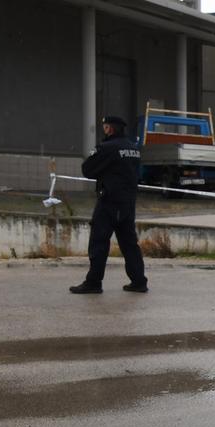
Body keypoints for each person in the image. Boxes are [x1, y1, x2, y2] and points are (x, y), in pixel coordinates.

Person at [70, 116, 147, 295]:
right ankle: (139, 281)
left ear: (110, 129)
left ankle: (93, 282)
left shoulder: (107, 148)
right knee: (129, 243)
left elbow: (87, 169)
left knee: (98, 242)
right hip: (128, 202)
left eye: (105, 127)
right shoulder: (133, 148)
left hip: (109, 201)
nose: (104, 130)